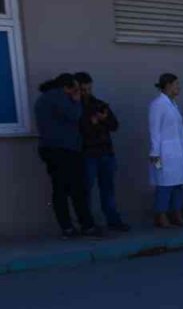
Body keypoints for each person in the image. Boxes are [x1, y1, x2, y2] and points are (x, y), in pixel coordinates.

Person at [35, 73, 100, 239]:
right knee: (76, 189)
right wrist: (77, 100)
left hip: (51, 149)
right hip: (64, 150)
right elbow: (74, 115)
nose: (78, 92)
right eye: (76, 88)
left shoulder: (43, 99)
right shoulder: (59, 97)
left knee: (60, 189)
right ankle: (86, 226)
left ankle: (68, 227)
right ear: (67, 87)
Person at [75, 72, 129, 232]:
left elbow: (114, 125)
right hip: (87, 154)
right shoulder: (74, 108)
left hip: (105, 152)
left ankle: (113, 220)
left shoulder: (99, 104)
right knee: (86, 190)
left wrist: (103, 119)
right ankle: (88, 224)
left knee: (108, 189)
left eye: (88, 89)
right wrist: (92, 123)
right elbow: (78, 130)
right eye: (83, 90)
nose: (86, 93)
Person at [148, 73, 183, 228]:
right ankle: (161, 215)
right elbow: (155, 131)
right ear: (167, 85)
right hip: (162, 153)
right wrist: (155, 155)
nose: (179, 87)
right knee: (163, 184)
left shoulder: (173, 104)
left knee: (178, 184)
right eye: (176, 84)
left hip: (178, 152)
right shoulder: (158, 104)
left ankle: (176, 212)